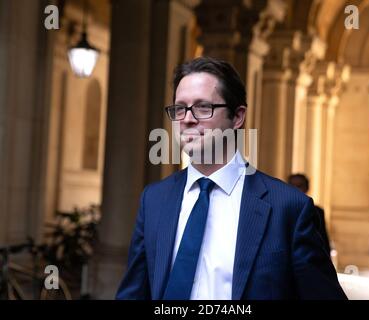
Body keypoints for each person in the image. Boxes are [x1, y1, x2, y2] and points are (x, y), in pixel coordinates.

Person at [116, 56, 347, 300]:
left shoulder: (288, 208)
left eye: (203, 107)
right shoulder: (154, 199)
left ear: (237, 117)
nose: (187, 119)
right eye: (180, 108)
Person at [287, 173, 331, 255]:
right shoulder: (280, 210)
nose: (295, 189)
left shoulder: (317, 211)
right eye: (292, 185)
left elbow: (323, 240)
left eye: (299, 186)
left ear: (307, 188)